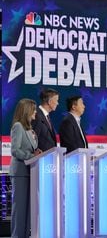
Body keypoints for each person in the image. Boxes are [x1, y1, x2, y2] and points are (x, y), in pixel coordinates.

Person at [10, 98, 42, 238]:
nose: (35, 112)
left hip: (31, 172)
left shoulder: (30, 130)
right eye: (33, 109)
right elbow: (15, 150)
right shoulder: (18, 126)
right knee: (20, 209)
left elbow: (32, 150)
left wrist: (37, 153)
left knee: (29, 210)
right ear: (27, 111)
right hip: (20, 173)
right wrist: (31, 155)